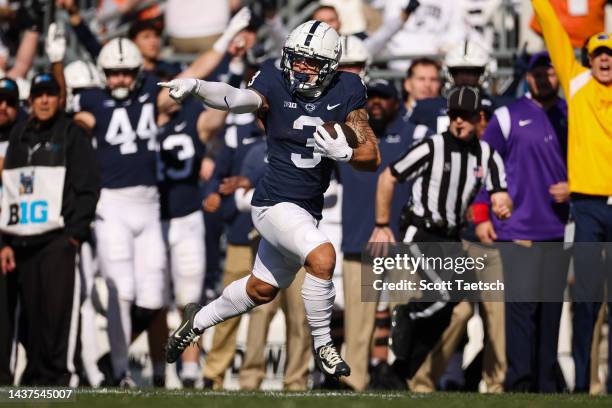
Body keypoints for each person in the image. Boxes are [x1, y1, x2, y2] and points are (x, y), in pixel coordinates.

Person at [160, 20, 380, 379]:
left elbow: (372, 156)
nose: (301, 68)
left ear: (330, 66)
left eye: (311, 63)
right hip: (273, 204)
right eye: (297, 59)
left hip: (307, 210)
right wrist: (199, 87)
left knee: (261, 289)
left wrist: (347, 154)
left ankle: (195, 321)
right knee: (323, 258)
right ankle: (324, 345)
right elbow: (237, 98)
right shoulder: (274, 81)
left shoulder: (349, 87)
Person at [369, 85, 512, 382]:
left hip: (450, 238)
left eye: (466, 116)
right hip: (420, 231)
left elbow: (500, 191)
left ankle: (402, 373)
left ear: (479, 118)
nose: (459, 121)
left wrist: (502, 203)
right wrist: (382, 223)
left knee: (450, 313)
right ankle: (407, 314)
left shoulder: (487, 155)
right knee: (444, 296)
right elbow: (389, 176)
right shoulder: (432, 146)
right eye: (454, 115)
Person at [72, 37, 175, 386]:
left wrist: (223, 43)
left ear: (137, 72)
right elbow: (75, 120)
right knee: (122, 288)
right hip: (112, 205)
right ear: (103, 74)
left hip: (149, 205)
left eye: (125, 73)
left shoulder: (150, 94)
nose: (118, 79)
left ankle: (106, 362)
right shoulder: (90, 100)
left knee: (155, 293)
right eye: (112, 73)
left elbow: (192, 75)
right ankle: (119, 371)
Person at [474, 51, 571, 393]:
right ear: (528, 78)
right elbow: (482, 163)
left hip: (560, 229)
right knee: (520, 313)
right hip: (516, 229)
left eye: (551, 72)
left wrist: (575, 186)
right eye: (538, 73)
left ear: (559, 76)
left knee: (551, 313)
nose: (545, 78)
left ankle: (546, 385)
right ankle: (519, 383)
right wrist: (482, 211)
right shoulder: (506, 116)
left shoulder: (570, 114)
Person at [531, 0, 612, 394]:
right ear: (588, 59)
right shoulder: (576, 81)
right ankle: (583, 385)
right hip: (588, 206)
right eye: (599, 54)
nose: (605, 61)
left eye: (611, 55)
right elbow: (551, 25)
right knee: (586, 300)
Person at [0, 72, 100, 386]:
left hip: (58, 239)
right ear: (30, 101)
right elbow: (9, 191)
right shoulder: (19, 135)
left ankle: (59, 381)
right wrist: (5, 240)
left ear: (60, 99)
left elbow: (88, 187)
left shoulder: (71, 134)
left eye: (50, 94)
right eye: (39, 94)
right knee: (32, 316)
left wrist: (74, 234)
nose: (44, 100)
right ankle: (34, 380)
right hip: (21, 242)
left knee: (58, 314)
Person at [338, 78, 431, 391]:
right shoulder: (349, 133)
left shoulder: (413, 135)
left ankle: (415, 383)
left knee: (407, 318)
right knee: (358, 326)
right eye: (371, 97)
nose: (376, 102)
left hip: (402, 244)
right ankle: (354, 385)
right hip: (359, 243)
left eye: (384, 97)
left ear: (397, 102)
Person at [0, 76, 24, 386]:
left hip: (17, 230)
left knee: (11, 317)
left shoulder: (25, 135)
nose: (2, 108)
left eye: (9, 102)